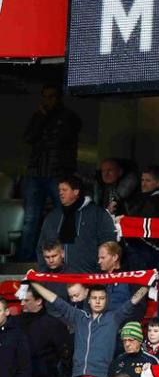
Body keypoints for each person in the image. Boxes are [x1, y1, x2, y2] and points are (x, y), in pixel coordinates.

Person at [30, 280, 148, 377]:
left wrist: (148, 283)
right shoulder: (79, 317)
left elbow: (133, 301)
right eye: (94, 298)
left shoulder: (113, 318)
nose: (98, 301)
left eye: (102, 298)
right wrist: (34, 283)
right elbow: (55, 300)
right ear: (88, 300)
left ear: (106, 301)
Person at [18, 84, 82, 263]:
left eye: (51, 96)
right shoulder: (39, 115)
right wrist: (40, 117)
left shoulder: (69, 117)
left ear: (59, 97)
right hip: (36, 172)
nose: (48, 100)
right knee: (31, 218)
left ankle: (66, 256)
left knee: (63, 215)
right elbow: (28, 138)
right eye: (45, 96)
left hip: (58, 173)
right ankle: (24, 258)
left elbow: (63, 138)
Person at [37, 176, 117, 274]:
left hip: (89, 277)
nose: (60, 193)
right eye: (59, 190)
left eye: (64, 190)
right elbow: (41, 247)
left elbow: (110, 245)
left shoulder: (97, 214)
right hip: (57, 279)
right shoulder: (52, 217)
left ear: (76, 192)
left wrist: (100, 272)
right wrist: (45, 272)